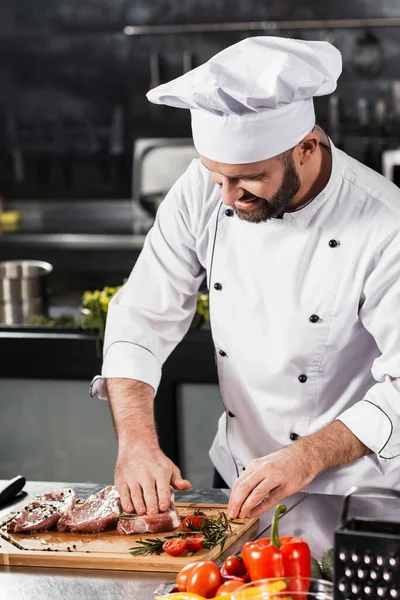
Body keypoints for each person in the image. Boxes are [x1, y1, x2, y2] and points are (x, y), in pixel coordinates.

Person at [91, 36, 400, 520]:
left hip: (353, 491)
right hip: (240, 474)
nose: (229, 197)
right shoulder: (203, 188)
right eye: (217, 176)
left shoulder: (386, 225)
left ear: (306, 147)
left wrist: (308, 455)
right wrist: (137, 443)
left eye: (249, 178)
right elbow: (141, 318)